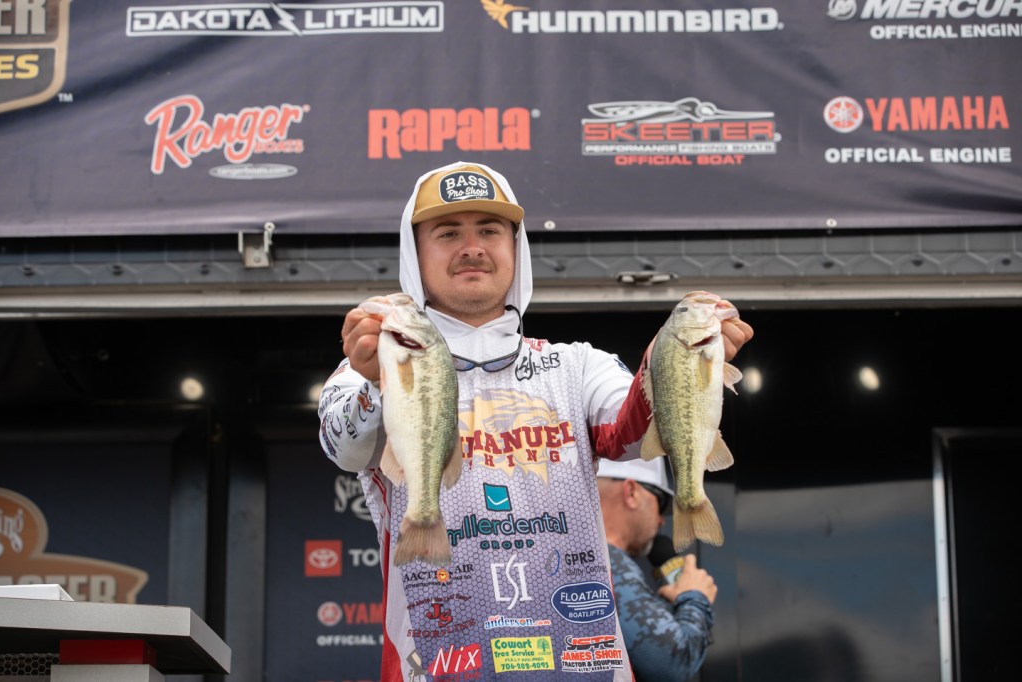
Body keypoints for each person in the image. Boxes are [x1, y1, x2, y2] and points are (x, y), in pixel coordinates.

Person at [318, 160, 753, 681]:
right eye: (448, 232)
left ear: (515, 247)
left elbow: (632, 437)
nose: (472, 247)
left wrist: (677, 360)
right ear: (414, 253)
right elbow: (345, 448)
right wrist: (374, 383)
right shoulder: (370, 363)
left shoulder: (579, 366)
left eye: (489, 230)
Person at [596, 457, 717, 682]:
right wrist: (694, 597)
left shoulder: (568, 558)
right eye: (660, 503)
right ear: (631, 493)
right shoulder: (608, 566)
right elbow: (671, 663)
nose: (662, 520)